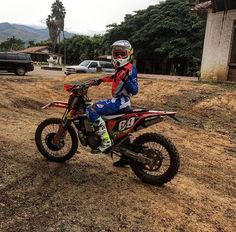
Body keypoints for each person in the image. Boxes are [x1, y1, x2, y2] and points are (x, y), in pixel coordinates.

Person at [86, 40, 138, 167]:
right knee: (118, 132)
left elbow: (135, 90)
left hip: (121, 101)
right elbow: (113, 78)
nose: (119, 57)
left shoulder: (129, 69)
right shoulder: (122, 68)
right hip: (121, 101)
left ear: (129, 54)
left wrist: (126, 79)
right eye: (117, 54)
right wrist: (99, 80)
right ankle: (125, 158)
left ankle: (105, 141)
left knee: (91, 109)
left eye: (122, 54)